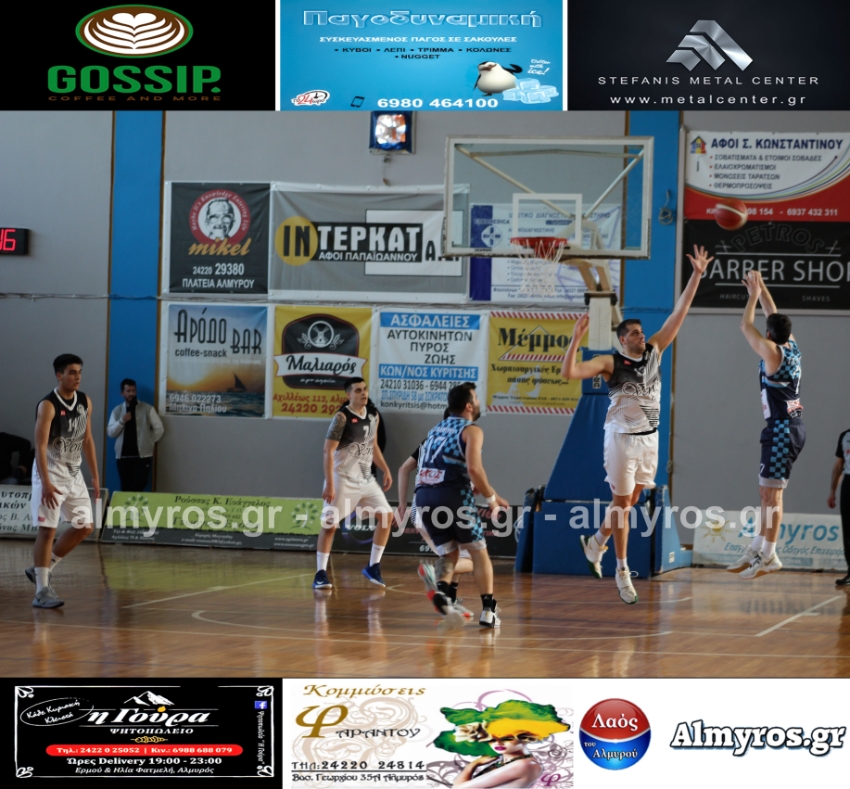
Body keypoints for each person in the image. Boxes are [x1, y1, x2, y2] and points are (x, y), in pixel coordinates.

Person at [561, 245, 712, 604]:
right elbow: (569, 372)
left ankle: (596, 542)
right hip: (622, 439)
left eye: (642, 331)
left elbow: (678, 313)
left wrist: (696, 275)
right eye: (634, 333)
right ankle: (622, 570)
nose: (641, 335)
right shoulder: (610, 363)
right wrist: (575, 339)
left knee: (631, 502)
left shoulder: (655, 352)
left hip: (649, 439)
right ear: (622, 340)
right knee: (621, 506)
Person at [727, 270, 804, 579]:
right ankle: (758, 547)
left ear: (769, 336)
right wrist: (760, 288)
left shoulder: (773, 354)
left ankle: (770, 554)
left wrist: (752, 296)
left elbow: (745, 326)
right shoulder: (792, 346)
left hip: (783, 428)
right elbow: (772, 312)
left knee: (772, 496)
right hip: (785, 427)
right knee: (765, 493)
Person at [414, 382, 509, 627]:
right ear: (469, 405)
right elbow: (474, 468)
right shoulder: (472, 430)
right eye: (476, 398)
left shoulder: (436, 428)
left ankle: (443, 594)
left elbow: (447, 466)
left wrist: (489, 491)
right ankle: (488, 610)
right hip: (452, 495)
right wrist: (491, 500)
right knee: (479, 552)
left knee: (450, 552)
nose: (478, 402)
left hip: (423, 496)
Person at [26, 354, 100, 609]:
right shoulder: (47, 405)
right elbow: (40, 446)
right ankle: (41, 591)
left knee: (85, 526)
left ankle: (42, 567)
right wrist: (45, 483)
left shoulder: (85, 401)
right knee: (47, 530)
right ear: (59, 375)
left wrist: (95, 475)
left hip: (73, 473)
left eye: (79, 372)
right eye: (71, 372)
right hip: (49, 472)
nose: (77, 377)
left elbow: (87, 440)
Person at [314, 377, 393, 590]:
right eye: (358, 390)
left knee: (387, 516)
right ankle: (320, 573)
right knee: (329, 526)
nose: (363, 393)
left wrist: (385, 469)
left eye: (365, 389)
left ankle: (373, 566)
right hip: (341, 478)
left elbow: (373, 445)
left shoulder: (373, 415)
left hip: (365, 479)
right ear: (349, 395)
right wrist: (330, 483)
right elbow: (327, 451)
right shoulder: (341, 418)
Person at [396, 409, 474, 620]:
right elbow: (470, 475)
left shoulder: (429, 441)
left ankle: (449, 600)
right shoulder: (459, 442)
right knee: (469, 560)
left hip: (419, 506)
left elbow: (403, 469)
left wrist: (402, 504)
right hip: (444, 504)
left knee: (451, 555)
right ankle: (434, 573)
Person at [434, 700, 569, 789]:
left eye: (506, 738)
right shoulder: (508, 762)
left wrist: (473, 764)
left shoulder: (523, 765)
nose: (497, 743)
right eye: (491, 739)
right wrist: (475, 764)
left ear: (526, 737)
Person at [106, 379, 164, 492]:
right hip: (123, 458)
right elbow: (111, 433)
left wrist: (148, 440)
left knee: (140, 484)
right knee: (125, 487)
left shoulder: (147, 409)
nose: (131, 393)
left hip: (142, 457)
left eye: (133, 390)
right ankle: (125, 504)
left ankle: (133, 503)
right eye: (128, 391)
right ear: (122, 393)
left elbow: (159, 429)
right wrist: (122, 421)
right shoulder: (117, 410)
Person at [829, 427, 850, 586]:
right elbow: (838, 466)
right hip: (848, 483)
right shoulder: (845, 436)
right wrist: (832, 492)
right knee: (848, 530)